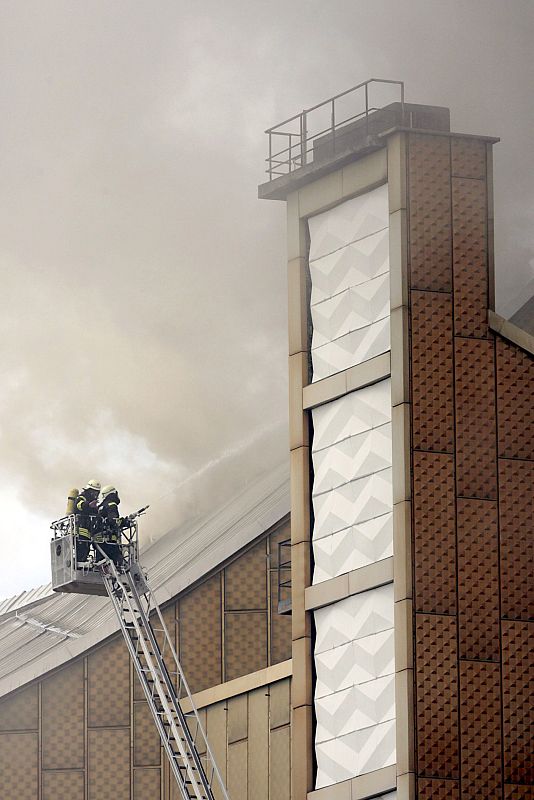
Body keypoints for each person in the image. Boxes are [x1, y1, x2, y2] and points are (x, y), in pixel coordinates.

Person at [95, 485, 124, 567]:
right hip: (109, 542)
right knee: (118, 564)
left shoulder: (100, 507)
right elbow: (114, 520)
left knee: (102, 566)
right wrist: (125, 522)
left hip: (99, 543)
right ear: (113, 494)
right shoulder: (111, 504)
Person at [74, 479, 101, 564]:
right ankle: (80, 563)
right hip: (80, 531)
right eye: (94, 492)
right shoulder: (81, 498)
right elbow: (79, 505)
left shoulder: (93, 503)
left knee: (86, 549)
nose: (95, 494)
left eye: (97, 492)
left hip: (88, 532)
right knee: (81, 550)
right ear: (89, 490)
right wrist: (88, 505)